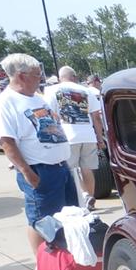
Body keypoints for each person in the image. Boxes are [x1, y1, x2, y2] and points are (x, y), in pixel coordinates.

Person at [0, 53, 76, 252]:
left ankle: (60, 259)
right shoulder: (6, 103)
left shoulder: (37, 98)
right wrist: (27, 173)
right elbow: (6, 142)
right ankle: (42, 262)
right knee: (42, 221)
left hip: (60, 167)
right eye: (37, 75)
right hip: (39, 170)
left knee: (66, 215)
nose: (41, 79)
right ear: (22, 76)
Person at [43, 65, 105, 209]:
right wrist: (100, 138)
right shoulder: (86, 91)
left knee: (71, 170)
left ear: (60, 78)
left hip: (67, 136)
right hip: (88, 135)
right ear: (74, 77)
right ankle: (90, 197)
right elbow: (96, 117)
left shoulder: (52, 90)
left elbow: (49, 115)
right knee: (87, 169)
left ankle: (81, 197)